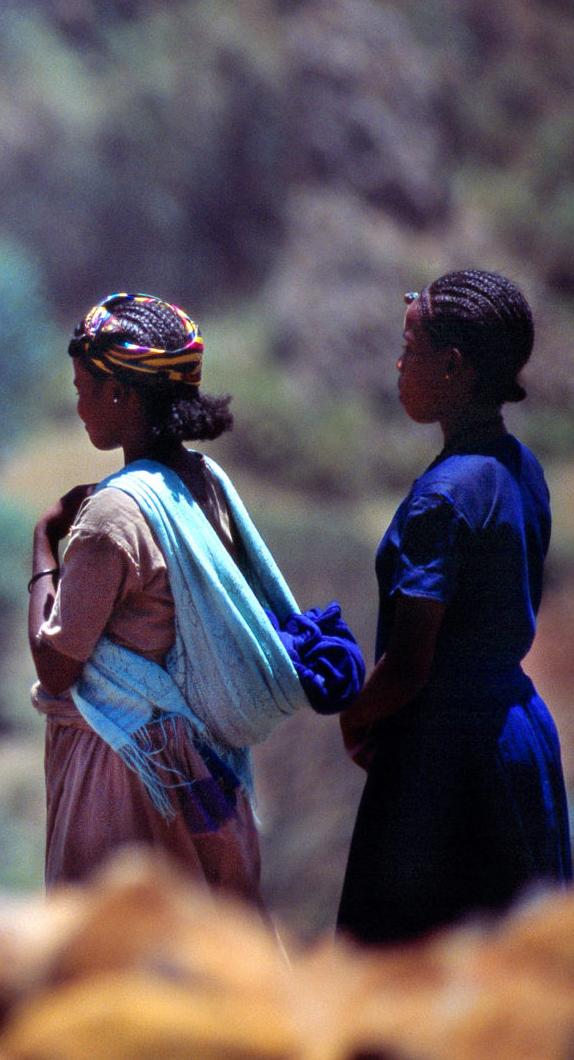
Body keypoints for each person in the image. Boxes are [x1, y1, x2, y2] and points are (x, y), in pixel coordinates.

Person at [28, 293, 359, 900]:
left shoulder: (113, 518)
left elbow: (55, 667)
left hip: (126, 780)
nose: (77, 405)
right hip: (203, 775)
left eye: (83, 387)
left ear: (121, 394)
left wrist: (44, 546)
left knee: (116, 963)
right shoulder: (202, 481)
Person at [335, 270, 572, 944]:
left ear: (452, 366)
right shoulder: (518, 467)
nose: (399, 364)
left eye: (410, 348)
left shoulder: (443, 498)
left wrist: (355, 716)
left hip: (448, 762)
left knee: (422, 976)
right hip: (517, 732)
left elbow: (411, 666)